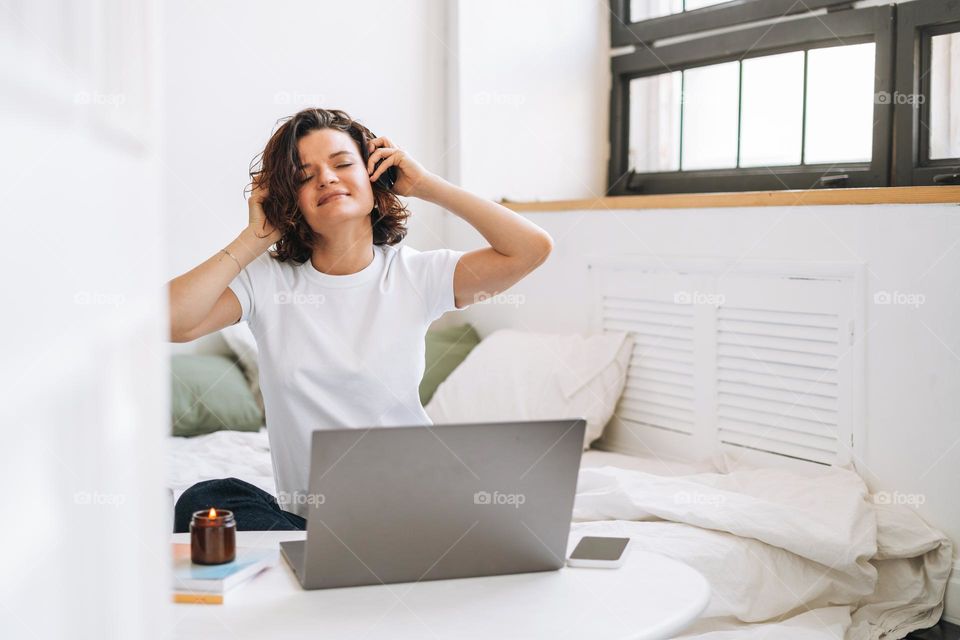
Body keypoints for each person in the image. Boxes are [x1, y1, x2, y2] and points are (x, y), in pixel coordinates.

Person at [167, 108, 553, 531]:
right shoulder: (267, 281)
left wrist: (425, 185)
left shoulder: (418, 274)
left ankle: (361, 561)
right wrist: (253, 239)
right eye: (304, 176)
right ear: (288, 200)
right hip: (312, 521)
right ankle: (338, 560)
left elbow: (530, 249)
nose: (326, 179)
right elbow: (172, 322)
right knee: (206, 500)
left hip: (415, 506)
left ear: (376, 176)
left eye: (342, 163)